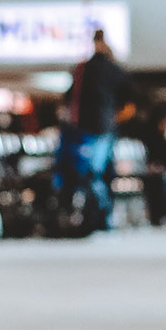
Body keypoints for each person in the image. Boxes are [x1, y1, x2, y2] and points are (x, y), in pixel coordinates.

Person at [55, 28, 134, 233]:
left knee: (90, 174)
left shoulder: (83, 69)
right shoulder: (114, 68)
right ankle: (103, 217)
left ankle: (99, 216)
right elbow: (130, 99)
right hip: (106, 129)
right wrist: (116, 118)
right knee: (99, 173)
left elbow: (69, 98)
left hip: (84, 130)